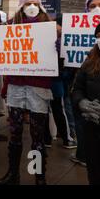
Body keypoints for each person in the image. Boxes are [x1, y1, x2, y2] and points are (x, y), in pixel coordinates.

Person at [0, 0, 54, 185]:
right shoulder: (10, 26)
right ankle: (14, 174)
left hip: (38, 87)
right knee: (14, 133)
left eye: (35, 4)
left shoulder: (49, 27)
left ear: (40, 6)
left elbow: (59, 61)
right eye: (28, 4)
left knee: (37, 136)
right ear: (22, 7)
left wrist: (58, 47)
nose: (31, 7)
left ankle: (39, 176)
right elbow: (3, 56)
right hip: (16, 87)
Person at [70, 0, 100, 166]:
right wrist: (81, 103)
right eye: (99, 36)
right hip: (91, 126)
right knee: (95, 171)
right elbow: (77, 87)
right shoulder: (90, 60)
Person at [44, 14, 77, 149]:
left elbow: (70, 65)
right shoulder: (45, 38)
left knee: (58, 109)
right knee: (44, 110)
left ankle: (65, 137)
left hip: (57, 81)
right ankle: (47, 138)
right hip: (44, 80)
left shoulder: (67, 41)